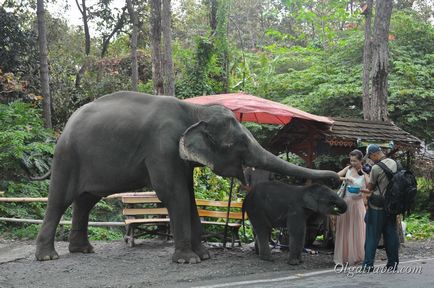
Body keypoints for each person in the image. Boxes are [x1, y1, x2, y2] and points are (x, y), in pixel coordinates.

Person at [361, 144, 399, 271]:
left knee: (372, 235)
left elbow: (370, 188)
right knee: (391, 234)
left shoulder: (376, 168)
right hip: (392, 206)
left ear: (375, 154)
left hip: (377, 206)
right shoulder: (395, 163)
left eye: (371, 157)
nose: (371, 159)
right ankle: (392, 264)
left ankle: (368, 265)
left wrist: (362, 190)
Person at [334, 149, 369, 265]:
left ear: (360, 161)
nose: (352, 163)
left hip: (358, 203)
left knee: (357, 229)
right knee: (344, 228)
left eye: (355, 161)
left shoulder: (365, 171)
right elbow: (336, 176)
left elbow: (369, 189)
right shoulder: (348, 169)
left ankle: (357, 256)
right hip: (346, 202)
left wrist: (362, 188)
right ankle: (343, 257)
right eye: (351, 160)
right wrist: (345, 178)